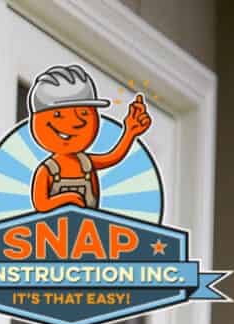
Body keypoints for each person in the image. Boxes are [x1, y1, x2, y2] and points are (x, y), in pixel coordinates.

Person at [27, 64, 151, 213]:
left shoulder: (86, 163)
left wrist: (130, 131)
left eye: (84, 113)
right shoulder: (47, 170)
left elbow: (114, 157)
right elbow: (41, 204)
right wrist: (68, 198)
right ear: (36, 122)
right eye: (58, 115)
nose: (77, 122)